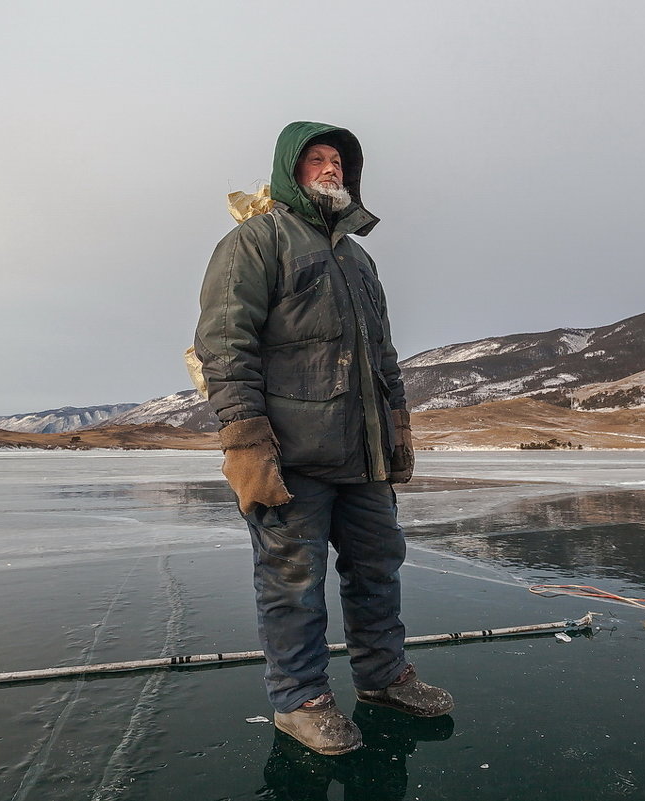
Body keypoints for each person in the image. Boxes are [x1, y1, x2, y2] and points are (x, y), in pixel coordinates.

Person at [194, 121, 453, 755]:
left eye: (338, 160)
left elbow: (383, 359)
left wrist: (395, 437)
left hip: (361, 457)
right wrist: (247, 444)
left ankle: (383, 676)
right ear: (291, 169)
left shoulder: (359, 259)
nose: (330, 168)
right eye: (316, 159)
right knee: (292, 578)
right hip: (292, 457)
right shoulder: (255, 243)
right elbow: (225, 348)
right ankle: (299, 700)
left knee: (377, 569)